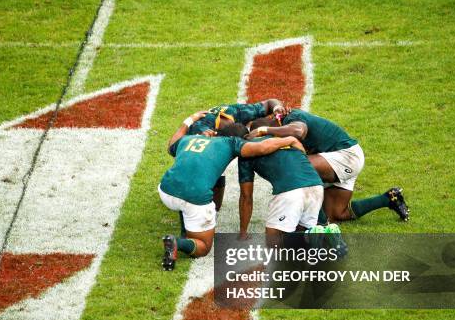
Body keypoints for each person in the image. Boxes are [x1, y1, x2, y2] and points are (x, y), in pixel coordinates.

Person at [159, 113, 304, 270]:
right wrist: (289, 139)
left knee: (188, 188)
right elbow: (262, 147)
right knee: (203, 247)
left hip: (165, 191)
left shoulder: (190, 138)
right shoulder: (231, 143)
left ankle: (185, 230)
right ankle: (178, 242)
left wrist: (190, 120)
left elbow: (172, 144)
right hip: (194, 198)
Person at [247, 109, 409, 223]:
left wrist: (263, 130)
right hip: (337, 159)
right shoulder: (285, 123)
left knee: (298, 168)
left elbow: (299, 132)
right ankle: (389, 198)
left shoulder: (291, 118)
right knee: (338, 214)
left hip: (346, 157)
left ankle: (318, 225)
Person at [240, 117, 346, 250]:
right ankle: (324, 237)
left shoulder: (247, 149)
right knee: (303, 232)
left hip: (291, 191)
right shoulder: (287, 141)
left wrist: (243, 232)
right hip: (316, 186)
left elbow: (246, 196)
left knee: (273, 241)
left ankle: (317, 240)